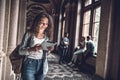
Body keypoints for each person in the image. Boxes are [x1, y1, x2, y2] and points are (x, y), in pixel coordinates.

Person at [19, 12, 53, 80]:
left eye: (46, 24)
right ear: (36, 22)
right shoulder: (29, 34)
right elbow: (20, 51)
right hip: (29, 63)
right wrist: (32, 49)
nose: (44, 25)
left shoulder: (46, 37)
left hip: (42, 64)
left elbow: (46, 53)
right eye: (42, 23)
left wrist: (49, 50)